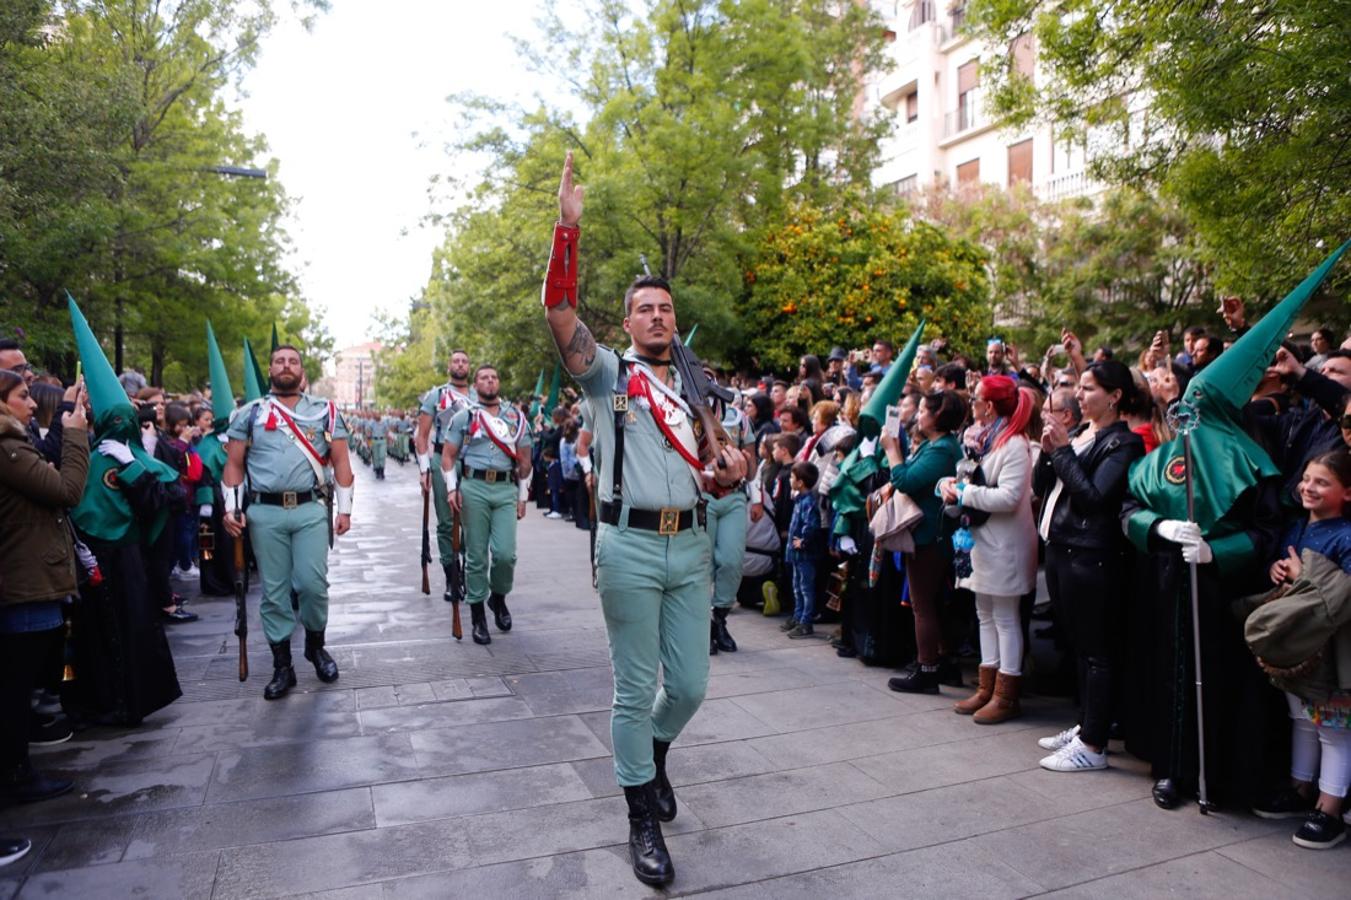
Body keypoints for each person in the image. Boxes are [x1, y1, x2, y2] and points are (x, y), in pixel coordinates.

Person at [542, 152, 746, 887]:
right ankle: (639, 818)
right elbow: (559, 314)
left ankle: (653, 754)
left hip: (690, 545)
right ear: (626, 322)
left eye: (665, 308)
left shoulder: (699, 384)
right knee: (634, 688)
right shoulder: (607, 376)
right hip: (626, 544)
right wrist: (566, 232)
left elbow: (727, 459)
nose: (657, 317)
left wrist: (735, 468)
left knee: (688, 686)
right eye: (644, 309)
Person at [222, 344, 355, 700]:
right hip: (264, 512)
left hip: (311, 508)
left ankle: (316, 645)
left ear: (302, 372)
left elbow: (341, 461)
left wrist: (345, 508)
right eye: (280, 361)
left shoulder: (325, 411)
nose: (286, 366)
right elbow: (234, 465)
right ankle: (283, 666)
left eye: (292, 361)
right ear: (270, 369)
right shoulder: (249, 414)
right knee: (275, 591)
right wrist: (230, 508)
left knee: (313, 584)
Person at [1034, 361, 1145, 770]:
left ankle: (1095, 744)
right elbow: (1042, 488)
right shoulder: (1083, 435)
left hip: (1092, 553)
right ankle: (1085, 725)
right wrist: (1049, 454)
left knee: (1098, 650)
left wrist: (1062, 450)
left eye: (1089, 388)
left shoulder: (1124, 444)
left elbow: (1094, 498)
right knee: (1079, 646)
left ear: (1115, 396)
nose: (1079, 395)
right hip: (1062, 546)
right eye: (1078, 388)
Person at [1248, 450, 1351, 849]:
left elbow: (1343, 593)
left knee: (1334, 730)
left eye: (1322, 482)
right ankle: (1300, 787)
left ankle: (1330, 808)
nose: (1308, 487)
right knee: (1303, 720)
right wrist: (1277, 570)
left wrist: (1301, 575)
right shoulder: (1296, 525)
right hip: (1300, 649)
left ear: (1347, 492)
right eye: (1307, 478)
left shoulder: (1346, 535)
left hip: (1333, 652)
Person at [0, 370, 88, 803]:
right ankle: (15, 773)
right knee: (17, 684)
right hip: (23, 581)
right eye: (21, 396)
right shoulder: (7, 449)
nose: (32, 403)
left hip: (28, 576)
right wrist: (74, 435)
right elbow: (67, 490)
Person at [939, 377, 1038, 723]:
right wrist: (947, 486)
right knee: (984, 614)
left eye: (977, 399)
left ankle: (1006, 694)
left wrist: (964, 493)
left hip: (1004, 545)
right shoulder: (982, 440)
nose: (973, 404)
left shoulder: (1014, 445)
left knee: (1007, 619)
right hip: (980, 542)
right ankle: (987, 685)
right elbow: (965, 478)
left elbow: (1010, 497)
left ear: (990, 406)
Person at [441, 365, 533, 645]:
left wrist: (523, 496)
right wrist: (451, 488)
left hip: (505, 488)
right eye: (484, 377)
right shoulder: (464, 417)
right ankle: (478, 615)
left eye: (494, 377)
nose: (490, 381)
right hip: (474, 487)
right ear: (476, 384)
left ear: (499, 382)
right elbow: (448, 455)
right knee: (476, 555)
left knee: (505, 554)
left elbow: (526, 460)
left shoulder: (516, 418)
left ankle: (499, 597)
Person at [881, 390, 965, 693]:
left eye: (923, 410)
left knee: (922, 604)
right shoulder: (937, 445)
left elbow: (905, 480)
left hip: (930, 536)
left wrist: (892, 451)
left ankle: (927, 669)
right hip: (931, 533)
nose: (918, 414)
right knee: (931, 602)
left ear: (937, 416)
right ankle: (942, 662)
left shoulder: (941, 449)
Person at [416, 350, 476, 604]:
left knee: (470, 520)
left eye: (464, 361)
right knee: (446, 522)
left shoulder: (478, 396)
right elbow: (422, 435)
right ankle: (452, 577)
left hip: (473, 460)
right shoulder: (437, 395)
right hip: (443, 460)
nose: (460, 365)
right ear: (448, 366)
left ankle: (466, 572)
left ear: (469, 366)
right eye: (455, 361)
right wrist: (424, 469)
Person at [705, 388, 757, 654]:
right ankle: (702, 626)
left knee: (732, 559)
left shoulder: (739, 418)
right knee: (702, 562)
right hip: (702, 494)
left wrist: (756, 494)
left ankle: (719, 619)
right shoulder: (688, 414)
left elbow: (753, 464)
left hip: (734, 495)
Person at [782, 461, 822, 638]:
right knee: (797, 587)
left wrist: (803, 541)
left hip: (804, 554)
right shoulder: (799, 500)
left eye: (792, 477)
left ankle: (806, 621)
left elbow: (812, 525)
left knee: (805, 588)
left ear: (800, 482)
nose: (790, 479)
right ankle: (798, 617)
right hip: (797, 555)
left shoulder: (808, 502)